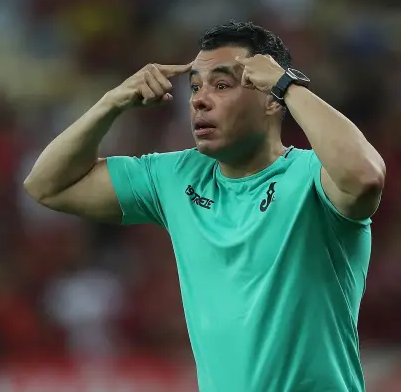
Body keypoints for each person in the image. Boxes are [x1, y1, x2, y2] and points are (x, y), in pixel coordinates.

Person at [24, 21, 385, 392]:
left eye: (222, 85)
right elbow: (47, 186)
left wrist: (287, 84)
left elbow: (365, 176)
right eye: (195, 86)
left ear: (270, 99)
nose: (198, 99)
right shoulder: (177, 176)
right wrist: (113, 101)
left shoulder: (313, 176)